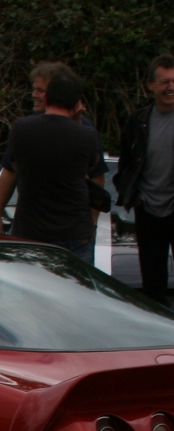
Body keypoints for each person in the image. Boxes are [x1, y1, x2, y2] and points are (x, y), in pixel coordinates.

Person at [0, 72, 97, 260]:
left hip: (30, 230)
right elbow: (89, 169)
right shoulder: (87, 135)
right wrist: (76, 120)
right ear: (77, 103)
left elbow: (11, 169)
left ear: (46, 97)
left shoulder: (21, 128)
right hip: (74, 232)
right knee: (73, 289)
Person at [115, 54, 174, 305]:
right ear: (150, 85)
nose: (170, 87)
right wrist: (135, 198)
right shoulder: (137, 122)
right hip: (147, 210)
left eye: (173, 81)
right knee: (152, 283)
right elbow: (125, 166)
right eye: (164, 82)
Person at [0, 62, 107, 192]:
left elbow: (97, 176)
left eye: (40, 90)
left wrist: (92, 213)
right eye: (34, 89)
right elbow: (9, 171)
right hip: (32, 208)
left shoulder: (86, 130)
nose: (34, 94)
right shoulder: (25, 128)